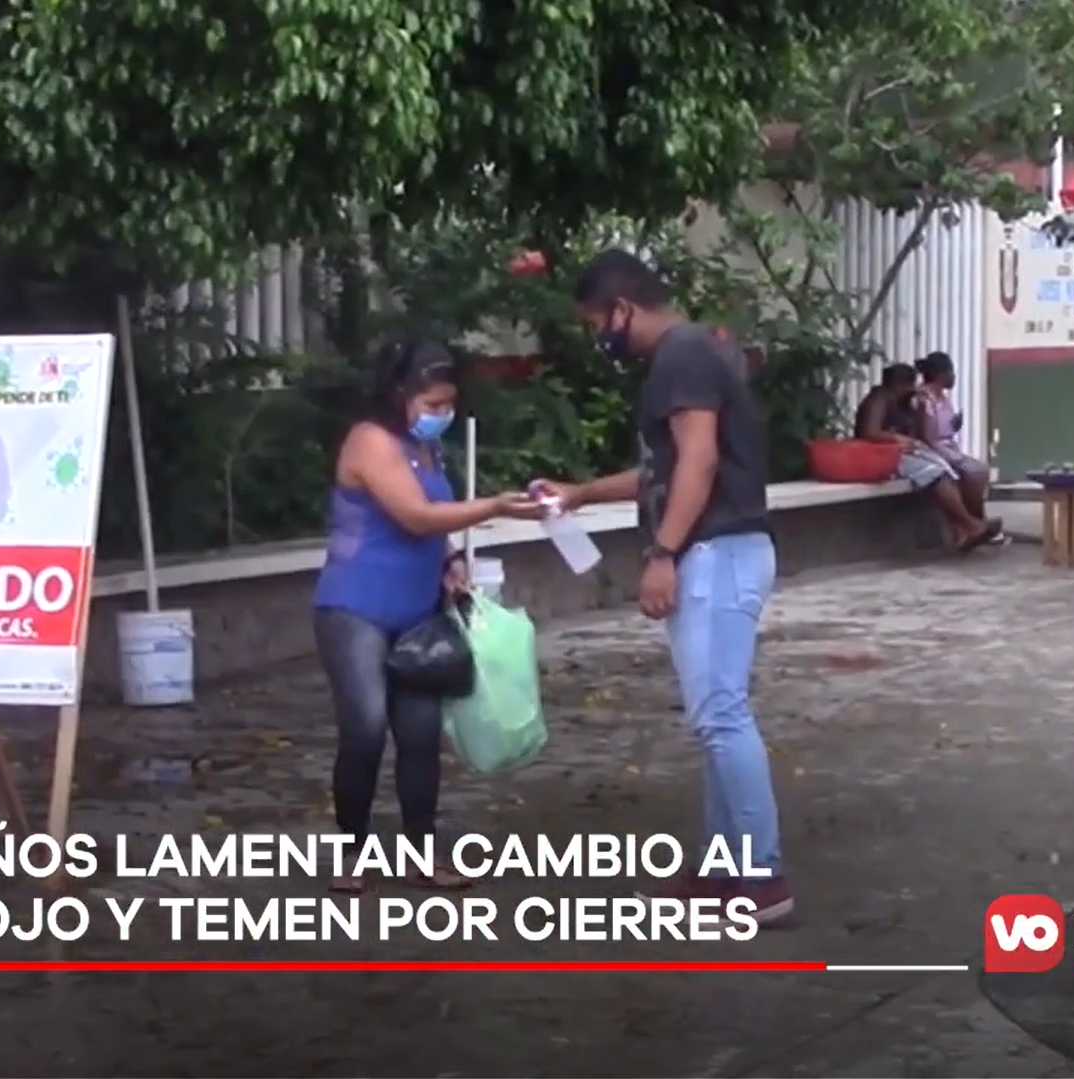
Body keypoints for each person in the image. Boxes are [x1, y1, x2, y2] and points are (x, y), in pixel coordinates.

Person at [534, 249, 793, 924]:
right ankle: (723, 867)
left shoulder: (682, 356)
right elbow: (666, 470)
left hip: (715, 550)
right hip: (721, 549)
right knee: (717, 714)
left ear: (622, 309)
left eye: (597, 322)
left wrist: (663, 553)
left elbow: (698, 462)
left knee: (720, 715)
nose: (599, 337)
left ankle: (762, 875)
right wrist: (581, 493)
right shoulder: (689, 356)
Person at [312, 340, 542, 895]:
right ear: (400, 394)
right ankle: (352, 851)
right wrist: (494, 506)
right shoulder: (370, 440)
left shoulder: (425, 448)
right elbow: (416, 516)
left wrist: (451, 561)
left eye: (449, 404)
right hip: (356, 606)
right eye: (433, 403)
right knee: (366, 727)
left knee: (418, 734)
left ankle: (422, 853)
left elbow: (435, 524)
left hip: (417, 608)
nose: (443, 413)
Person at [855, 363, 1000, 551]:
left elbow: (916, 431)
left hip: (902, 451)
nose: (912, 388)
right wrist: (896, 439)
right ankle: (969, 525)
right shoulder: (879, 400)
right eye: (909, 385)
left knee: (949, 469)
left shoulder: (903, 402)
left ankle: (962, 528)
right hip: (879, 455)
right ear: (899, 384)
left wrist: (920, 408)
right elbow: (869, 432)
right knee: (936, 473)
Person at [914, 351, 994, 525]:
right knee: (975, 472)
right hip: (932, 450)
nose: (954, 377)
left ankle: (977, 519)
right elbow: (927, 437)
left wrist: (954, 426)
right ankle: (976, 520)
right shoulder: (925, 398)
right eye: (951, 372)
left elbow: (943, 429)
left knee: (981, 470)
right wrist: (952, 457)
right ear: (939, 374)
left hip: (947, 446)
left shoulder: (942, 398)